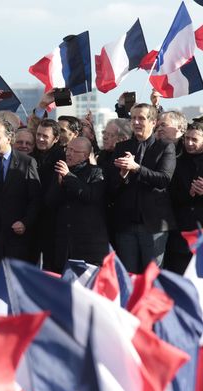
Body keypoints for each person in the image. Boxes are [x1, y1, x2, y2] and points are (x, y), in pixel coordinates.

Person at [110, 103, 176, 273]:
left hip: (153, 225)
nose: (136, 122)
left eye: (141, 118)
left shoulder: (165, 147)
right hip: (125, 225)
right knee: (128, 277)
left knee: (152, 279)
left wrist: (136, 168)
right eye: (133, 118)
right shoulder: (121, 147)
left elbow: (163, 179)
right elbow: (111, 186)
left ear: (153, 122)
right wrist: (122, 176)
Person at [0, 119, 40, 292]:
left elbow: (35, 199)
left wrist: (26, 222)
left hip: (17, 239)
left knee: (16, 288)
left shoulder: (27, 163)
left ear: (9, 138)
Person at [45, 137, 108, 270]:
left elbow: (90, 196)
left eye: (74, 151)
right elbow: (50, 202)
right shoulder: (60, 171)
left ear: (85, 155)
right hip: (64, 240)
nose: (68, 153)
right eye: (68, 149)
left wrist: (68, 177)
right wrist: (59, 184)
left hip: (87, 241)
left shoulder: (95, 172)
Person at [167, 122, 203, 274]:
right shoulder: (176, 162)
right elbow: (169, 194)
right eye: (186, 139)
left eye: (194, 140)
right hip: (181, 235)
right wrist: (189, 193)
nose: (189, 143)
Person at [32, 118, 65, 271]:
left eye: (45, 136)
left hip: (53, 221)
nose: (40, 139)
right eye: (38, 134)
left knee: (51, 267)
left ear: (56, 138)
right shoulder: (31, 156)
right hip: (32, 220)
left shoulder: (63, 159)